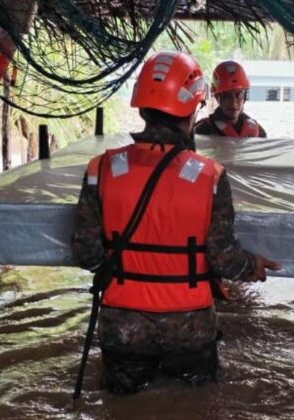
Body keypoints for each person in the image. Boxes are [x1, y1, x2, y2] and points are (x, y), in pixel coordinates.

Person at [71, 51, 280, 394]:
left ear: (141, 109)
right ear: (192, 110)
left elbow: (86, 252)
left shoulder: (101, 169)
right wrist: (252, 265)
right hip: (190, 327)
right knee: (198, 419)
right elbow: (223, 258)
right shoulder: (210, 177)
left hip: (124, 328)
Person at [194, 61, 267, 138]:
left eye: (238, 94)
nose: (233, 102)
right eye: (227, 96)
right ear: (217, 97)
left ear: (245, 96)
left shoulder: (258, 132)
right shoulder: (202, 131)